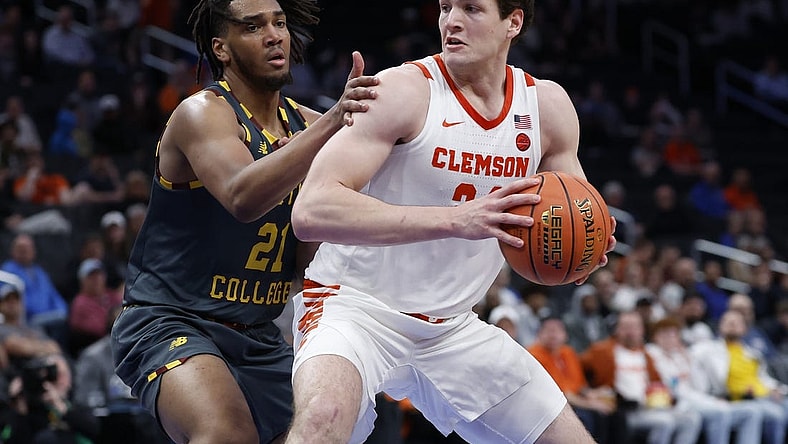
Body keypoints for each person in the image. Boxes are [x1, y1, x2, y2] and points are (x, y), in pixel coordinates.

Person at [285, 1, 616, 443]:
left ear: (513, 22)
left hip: (452, 328)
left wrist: (587, 248)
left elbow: (573, 213)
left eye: (472, 9)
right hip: (354, 309)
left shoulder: (547, 107)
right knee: (321, 418)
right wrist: (457, 219)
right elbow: (312, 210)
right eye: (445, 7)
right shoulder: (402, 90)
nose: (451, 21)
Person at [109, 1, 378, 444]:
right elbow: (242, 197)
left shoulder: (307, 127)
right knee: (225, 434)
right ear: (222, 48)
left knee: (323, 430)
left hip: (259, 335)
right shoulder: (204, 113)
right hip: (172, 320)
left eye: (279, 23)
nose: (274, 35)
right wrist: (332, 123)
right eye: (253, 27)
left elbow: (309, 262)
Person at [581, 311, 703, 444]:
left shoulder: (646, 354)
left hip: (650, 406)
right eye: (626, 327)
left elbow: (658, 383)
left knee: (691, 419)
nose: (630, 332)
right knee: (665, 423)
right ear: (617, 329)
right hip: (624, 409)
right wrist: (588, 392)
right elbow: (578, 369)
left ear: (642, 330)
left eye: (634, 327)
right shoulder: (602, 351)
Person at [646, 317, 763, 444]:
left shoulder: (684, 355)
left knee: (750, 412)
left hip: (697, 398)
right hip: (676, 403)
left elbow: (699, 386)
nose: (670, 338)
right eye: (664, 334)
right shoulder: (652, 354)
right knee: (719, 412)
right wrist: (710, 402)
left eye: (673, 333)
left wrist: (689, 360)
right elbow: (676, 390)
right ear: (655, 337)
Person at [691, 309, 788, 444]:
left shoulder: (752, 354)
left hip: (766, 395)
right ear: (720, 326)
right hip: (744, 397)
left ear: (745, 329)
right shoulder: (708, 350)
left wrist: (776, 388)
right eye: (727, 321)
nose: (732, 324)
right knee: (776, 415)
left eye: (736, 322)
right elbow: (694, 359)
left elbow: (763, 378)